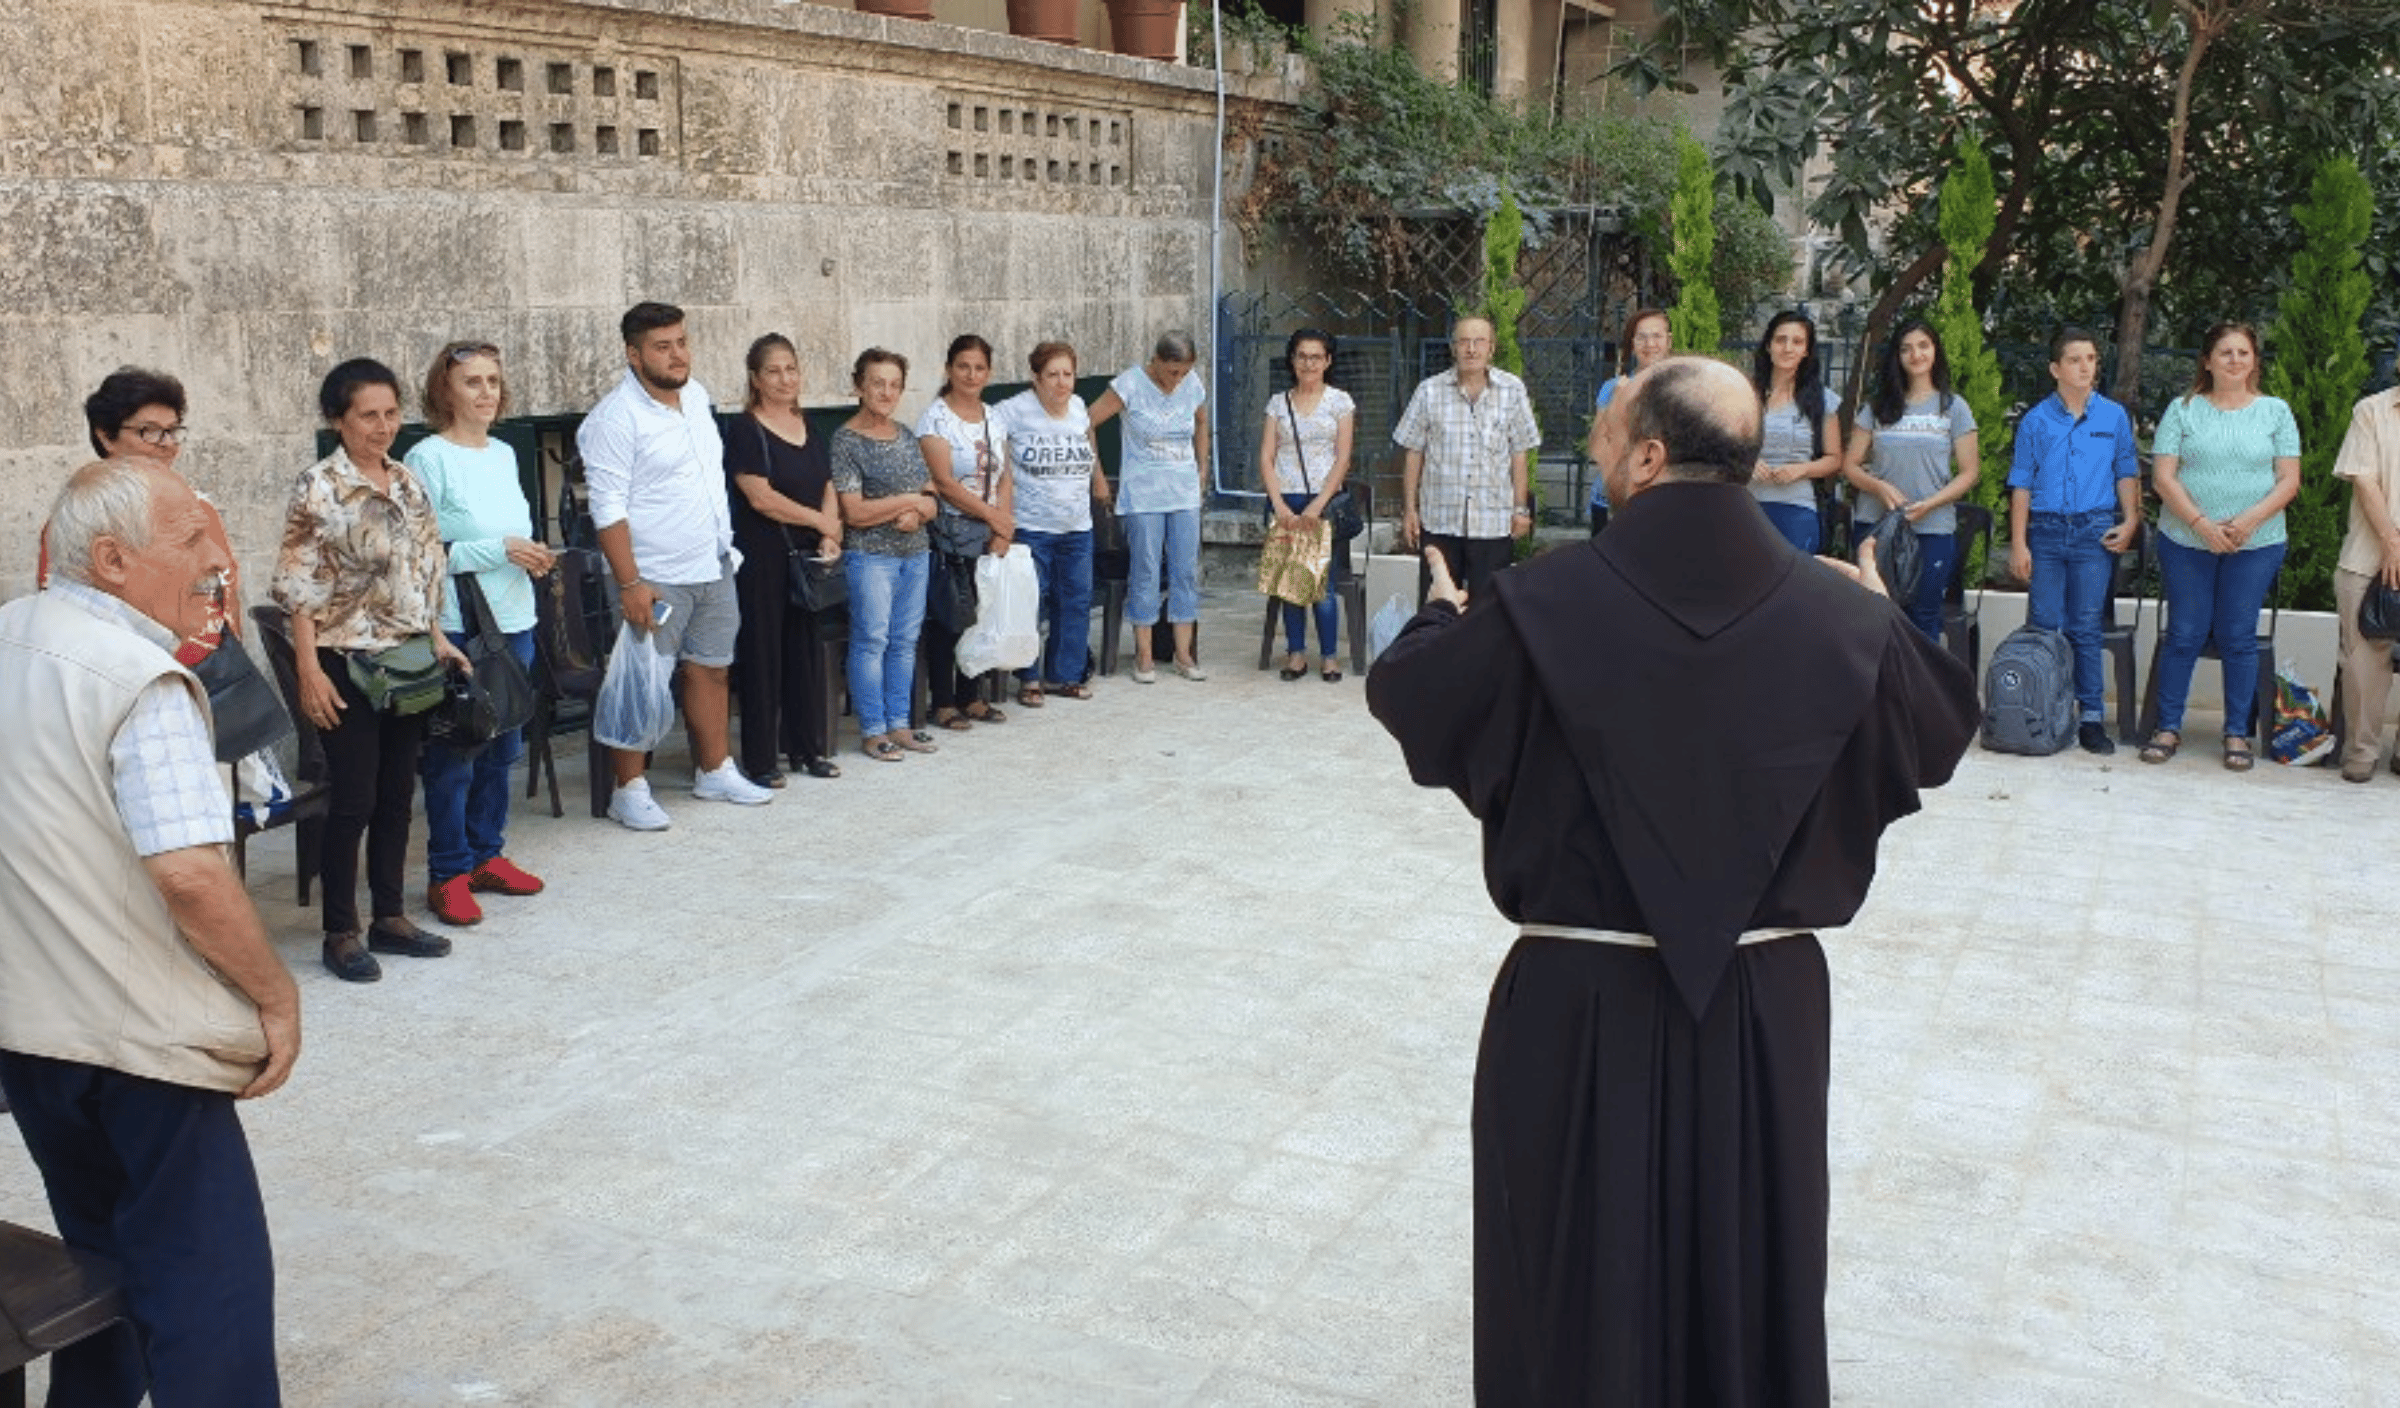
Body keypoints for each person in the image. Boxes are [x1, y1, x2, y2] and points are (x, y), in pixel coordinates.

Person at [1367, 356, 1978, 1404]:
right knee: (1748, 1268)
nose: (1599, 454)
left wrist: (1438, 608)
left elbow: (1415, 701)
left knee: (1566, 1278)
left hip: (1576, 1004)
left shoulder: (1531, 607)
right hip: (1763, 1009)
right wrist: (1884, 611)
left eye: (1606, 437)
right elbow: (1941, 725)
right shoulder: (1844, 620)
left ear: (1649, 456)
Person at [0, 459, 302, 1408]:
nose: (218, 561)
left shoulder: (8, 637)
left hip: (30, 1036)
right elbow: (188, 874)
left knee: (102, 1260)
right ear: (112, 559)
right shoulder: (142, 680)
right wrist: (274, 995)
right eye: (190, 540)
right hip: (139, 1048)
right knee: (210, 1289)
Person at [272, 359, 467, 982]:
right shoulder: (318, 487)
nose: (382, 427)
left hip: (407, 659)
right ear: (337, 420)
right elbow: (300, 587)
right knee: (352, 799)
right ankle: (341, 930)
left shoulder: (407, 482)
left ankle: (390, 917)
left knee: (394, 795)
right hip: (344, 661)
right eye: (367, 416)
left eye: (390, 413)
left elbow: (425, 567)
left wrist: (438, 637)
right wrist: (308, 670)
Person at [578, 301, 776, 828]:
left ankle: (714, 771)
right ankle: (629, 788)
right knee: (642, 679)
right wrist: (631, 582)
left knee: (711, 670)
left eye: (681, 342)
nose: (677, 355)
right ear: (634, 354)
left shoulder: (696, 396)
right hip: (655, 574)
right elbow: (608, 508)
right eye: (662, 347)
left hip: (712, 563)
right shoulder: (613, 420)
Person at [407, 341, 553, 925]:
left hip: (514, 619)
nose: (487, 392)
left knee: (504, 747)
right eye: (472, 382)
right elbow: (421, 552)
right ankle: (448, 871)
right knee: (457, 753)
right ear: (445, 391)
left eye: (493, 380)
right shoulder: (426, 458)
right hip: (459, 627)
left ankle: (487, 855)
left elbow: (507, 537)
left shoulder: (503, 453)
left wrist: (531, 555)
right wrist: (499, 549)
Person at [2141, 321, 2303, 771]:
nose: (2235, 360)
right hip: (2186, 540)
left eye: (2243, 353)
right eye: (2225, 353)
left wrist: (2248, 520)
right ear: (2207, 361)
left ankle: (2236, 734)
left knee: (2237, 635)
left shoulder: (2275, 412)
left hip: (2258, 542)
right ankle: (2168, 726)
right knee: (2185, 633)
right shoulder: (2183, 409)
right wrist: (2201, 524)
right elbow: (2163, 477)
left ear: (2254, 361)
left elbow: (2289, 480)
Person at [2005, 327, 2141, 756]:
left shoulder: (2113, 417)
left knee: (2085, 625)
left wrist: (2133, 518)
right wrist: (2019, 543)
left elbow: (2126, 470)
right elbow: (2022, 483)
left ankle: (2091, 719)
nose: (2086, 367)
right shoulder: (2035, 421)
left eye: (2092, 359)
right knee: (2045, 625)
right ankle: (2045, 708)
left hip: (2092, 531)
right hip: (2045, 532)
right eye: (2076, 360)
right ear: (2055, 368)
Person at [727, 332, 846, 785]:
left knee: (805, 655)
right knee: (763, 657)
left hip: (809, 561)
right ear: (756, 379)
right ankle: (761, 760)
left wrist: (830, 533)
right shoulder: (746, 429)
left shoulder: (810, 426)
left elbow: (828, 486)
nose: (784, 378)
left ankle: (806, 748)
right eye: (773, 371)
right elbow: (761, 497)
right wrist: (821, 522)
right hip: (764, 559)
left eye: (791, 369)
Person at [833, 347, 943, 763]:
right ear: (859, 385)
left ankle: (900, 724)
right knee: (872, 639)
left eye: (894, 384)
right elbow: (855, 512)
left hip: (915, 555)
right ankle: (873, 730)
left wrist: (916, 510)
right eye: (877, 383)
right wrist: (906, 501)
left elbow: (932, 502)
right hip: (870, 558)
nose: (886, 391)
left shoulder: (907, 436)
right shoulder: (846, 441)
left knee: (905, 641)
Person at [1844, 317, 1982, 641]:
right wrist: (1878, 487)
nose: (1916, 354)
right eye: (1906, 349)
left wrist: (1931, 504)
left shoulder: (1954, 407)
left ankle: (1920, 692)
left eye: (1923, 346)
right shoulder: (1876, 407)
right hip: (1877, 527)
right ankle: (1878, 692)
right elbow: (1850, 466)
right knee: (1876, 618)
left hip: (1932, 528)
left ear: (1935, 351)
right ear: (1897, 356)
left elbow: (1970, 472)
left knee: (1924, 619)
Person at [991, 340, 1113, 706]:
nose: (1061, 383)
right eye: (1053, 375)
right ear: (1035, 378)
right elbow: (984, 433)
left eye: (1068, 375)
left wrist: (1098, 475)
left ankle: (1065, 675)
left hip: (1076, 525)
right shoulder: (1012, 411)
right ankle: (1028, 677)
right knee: (1032, 601)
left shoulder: (1077, 407)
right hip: (1031, 526)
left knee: (1076, 600)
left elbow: (1087, 433)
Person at [1090, 331, 1210, 683]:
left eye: (1184, 372)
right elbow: (1088, 421)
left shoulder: (1192, 384)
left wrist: (1202, 468)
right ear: (1155, 360)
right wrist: (1097, 476)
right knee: (1144, 569)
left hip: (1184, 492)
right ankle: (1144, 654)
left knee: (1185, 570)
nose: (1177, 379)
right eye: (1172, 371)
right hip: (1142, 493)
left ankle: (1183, 653)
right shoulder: (1129, 384)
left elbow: (1202, 421)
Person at [1395, 314, 1541, 601]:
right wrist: (1410, 509)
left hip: (1492, 520)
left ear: (1492, 348)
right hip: (1439, 518)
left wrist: (1521, 509)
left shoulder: (1512, 390)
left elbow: (1519, 453)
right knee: (1437, 607)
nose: (1471, 349)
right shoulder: (1429, 391)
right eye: (1464, 341)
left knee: (1487, 610)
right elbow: (1414, 452)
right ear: (1453, 347)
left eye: (1479, 341)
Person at [917, 333, 1015, 730]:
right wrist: (993, 517)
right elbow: (944, 482)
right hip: (951, 532)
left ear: (988, 373)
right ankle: (942, 702)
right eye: (963, 366)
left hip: (989, 532)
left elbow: (1006, 474)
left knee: (981, 614)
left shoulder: (995, 417)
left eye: (979, 368)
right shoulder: (935, 418)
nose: (971, 375)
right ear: (949, 369)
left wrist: (1002, 525)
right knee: (948, 617)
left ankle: (971, 696)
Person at [1258, 326, 1356, 682]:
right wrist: (1279, 505)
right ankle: (1296, 653)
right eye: (1302, 356)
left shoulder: (1340, 402)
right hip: (1286, 499)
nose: (1309, 363)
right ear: (1292, 360)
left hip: (1323, 502)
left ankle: (1329, 657)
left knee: (1323, 587)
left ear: (1328, 361)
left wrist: (1318, 504)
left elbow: (1343, 458)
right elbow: (1266, 457)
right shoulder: (1277, 403)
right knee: (1292, 583)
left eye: (1316, 356)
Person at [2331, 379, 2400, 783]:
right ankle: (2360, 751)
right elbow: (2363, 479)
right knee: (2363, 661)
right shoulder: (2370, 410)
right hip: (2368, 556)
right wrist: (2393, 542)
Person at [1747, 309, 1845, 554]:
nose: (1788, 348)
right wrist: (1746, 460)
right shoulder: (1744, 393)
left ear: (1807, 351)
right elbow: (1724, 446)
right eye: (1781, 340)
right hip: (1746, 505)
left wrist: (1802, 470)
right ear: (1768, 345)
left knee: (1793, 589)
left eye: (1797, 341)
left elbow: (1835, 459)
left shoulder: (1823, 400)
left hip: (1796, 508)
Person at [1586, 308, 1671, 538]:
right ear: (1632, 343)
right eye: (1641, 336)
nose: (1649, 343)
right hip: (1612, 500)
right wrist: (1616, 402)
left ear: (1668, 341)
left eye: (1657, 336)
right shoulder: (1613, 387)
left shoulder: (1681, 389)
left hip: (1662, 501)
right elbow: (1596, 448)